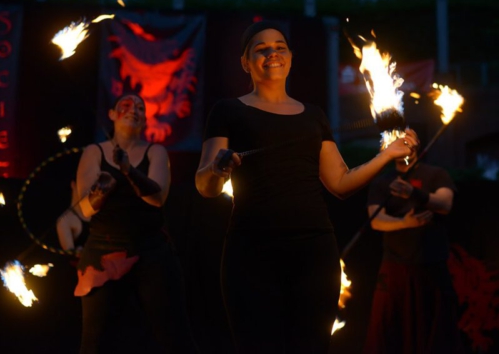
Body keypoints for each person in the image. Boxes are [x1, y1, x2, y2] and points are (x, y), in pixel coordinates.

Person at [195, 20, 418, 354]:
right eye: (262, 49)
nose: (273, 53)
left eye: (280, 47)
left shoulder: (313, 116)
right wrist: (217, 169)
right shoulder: (228, 111)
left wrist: (387, 155)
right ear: (245, 62)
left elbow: (341, 184)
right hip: (251, 253)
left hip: (314, 253)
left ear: (290, 58)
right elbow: (205, 186)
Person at [74, 92, 197, 353]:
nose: (134, 110)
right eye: (126, 106)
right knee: (94, 342)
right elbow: (84, 210)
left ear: (145, 120)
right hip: (102, 253)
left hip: (151, 252)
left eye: (140, 108)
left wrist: (129, 171)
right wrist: (100, 190)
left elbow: (157, 198)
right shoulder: (94, 152)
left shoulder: (156, 151)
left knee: (173, 336)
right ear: (111, 114)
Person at [363, 144, 464, 354]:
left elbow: (445, 204)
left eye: (407, 139)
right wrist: (404, 223)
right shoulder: (382, 181)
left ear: (416, 145)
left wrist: (414, 192)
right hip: (395, 266)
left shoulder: (436, 174)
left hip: (432, 267)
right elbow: (376, 220)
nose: (401, 143)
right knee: (388, 332)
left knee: (435, 334)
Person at [56, 179, 91, 259]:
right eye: (84, 182)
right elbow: (70, 256)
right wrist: (77, 252)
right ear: (73, 184)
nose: (88, 187)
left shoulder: (101, 211)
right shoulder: (65, 221)